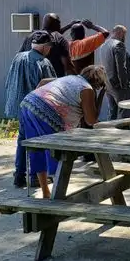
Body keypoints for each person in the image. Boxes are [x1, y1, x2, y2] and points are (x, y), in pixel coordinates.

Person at [19, 65, 108, 198]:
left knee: (36, 150)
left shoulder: (71, 78)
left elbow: (43, 81)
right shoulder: (86, 89)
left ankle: (46, 192)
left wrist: (42, 97)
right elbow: (91, 120)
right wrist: (101, 96)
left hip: (28, 103)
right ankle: (58, 194)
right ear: (98, 83)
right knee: (57, 153)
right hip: (47, 112)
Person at [5, 31, 57, 188]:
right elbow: (52, 87)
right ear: (45, 47)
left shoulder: (18, 57)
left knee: (22, 140)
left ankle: (19, 175)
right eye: (49, 47)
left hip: (19, 105)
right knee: (36, 142)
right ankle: (35, 176)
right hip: (35, 108)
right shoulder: (43, 62)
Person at [99, 25, 130, 122]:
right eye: (124, 34)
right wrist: (124, 85)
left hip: (108, 84)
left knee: (112, 111)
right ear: (120, 33)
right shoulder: (119, 44)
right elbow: (121, 67)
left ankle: (110, 132)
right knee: (124, 110)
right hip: (118, 85)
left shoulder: (103, 46)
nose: (124, 38)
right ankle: (124, 132)